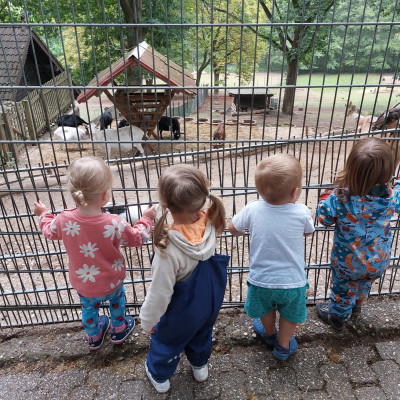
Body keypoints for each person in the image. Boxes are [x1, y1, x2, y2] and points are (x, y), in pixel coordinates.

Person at [33, 156, 156, 350]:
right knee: (117, 302)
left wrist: (43, 213)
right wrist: (147, 218)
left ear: (73, 193)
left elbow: (49, 230)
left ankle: (94, 335)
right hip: (112, 281)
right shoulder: (114, 222)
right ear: (105, 195)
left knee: (88, 309)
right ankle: (119, 329)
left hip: (84, 284)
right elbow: (137, 238)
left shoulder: (64, 219)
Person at [140, 164, 229, 393]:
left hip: (182, 310)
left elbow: (160, 292)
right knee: (201, 334)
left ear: (165, 205)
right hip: (209, 303)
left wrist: (148, 321)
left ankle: (160, 377)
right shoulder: (209, 221)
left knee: (167, 342)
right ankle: (200, 366)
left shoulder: (168, 249)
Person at [229, 154, 315, 360]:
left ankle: (269, 334)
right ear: (294, 191)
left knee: (265, 308)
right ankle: (283, 346)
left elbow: (233, 227)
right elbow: (308, 231)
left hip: (262, 280)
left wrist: (242, 230)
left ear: (259, 189)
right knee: (289, 313)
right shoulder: (301, 211)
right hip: (293, 282)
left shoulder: (252, 208)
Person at [316, 137, 400, 330]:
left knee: (343, 290)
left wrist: (325, 196)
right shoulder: (391, 198)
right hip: (378, 261)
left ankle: (337, 317)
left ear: (351, 169)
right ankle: (357, 307)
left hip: (348, 263)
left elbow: (324, 218)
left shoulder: (340, 198)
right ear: (387, 172)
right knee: (364, 281)